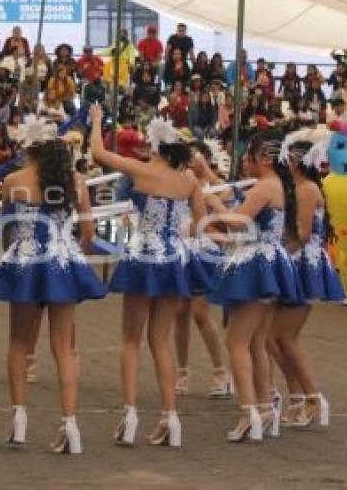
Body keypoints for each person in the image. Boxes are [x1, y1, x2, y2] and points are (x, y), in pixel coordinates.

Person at [0, 120, 105, 454]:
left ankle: (19, 419)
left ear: (29, 147)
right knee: (65, 347)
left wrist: (11, 252)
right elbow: (90, 233)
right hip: (62, 263)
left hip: (24, 263)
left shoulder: (13, 181)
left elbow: (5, 228)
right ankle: (70, 424)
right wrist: (72, 248)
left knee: (20, 343)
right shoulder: (75, 181)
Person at [90, 106, 208, 448]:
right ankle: (170, 418)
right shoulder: (189, 181)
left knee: (131, 339)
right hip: (174, 258)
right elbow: (200, 224)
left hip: (143, 254)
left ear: (155, 146)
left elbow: (98, 152)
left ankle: (129, 414)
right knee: (161, 340)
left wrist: (98, 119)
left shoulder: (141, 171)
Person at [205, 130, 301, 443]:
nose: (245, 159)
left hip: (257, 262)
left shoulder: (265, 186)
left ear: (264, 158)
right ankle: (264, 407)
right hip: (275, 261)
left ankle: (249, 411)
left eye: (249, 154)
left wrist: (211, 200)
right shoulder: (285, 186)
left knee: (237, 341)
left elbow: (237, 222)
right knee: (257, 342)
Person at [270, 129, 345, 429]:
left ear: (298, 161)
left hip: (303, 264)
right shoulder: (301, 187)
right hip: (300, 261)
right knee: (277, 336)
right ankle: (300, 397)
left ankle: (312, 398)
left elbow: (300, 236)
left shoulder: (305, 189)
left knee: (283, 336)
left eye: (287, 157)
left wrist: (274, 256)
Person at [173, 141, 232, 398]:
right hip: (181, 248)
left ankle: (220, 372)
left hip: (206, 250)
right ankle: (182, 372)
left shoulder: (213, 183)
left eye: (195, 157)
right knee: (179, 312)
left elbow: (228, 195)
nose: (191, 162)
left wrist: (206, 169)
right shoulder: (178, 180)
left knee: (200, 312)